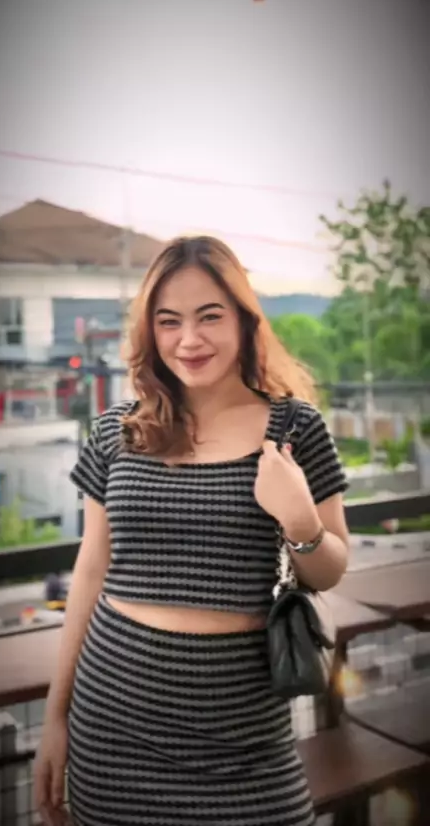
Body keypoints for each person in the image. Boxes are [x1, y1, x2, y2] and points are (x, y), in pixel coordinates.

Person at [34, 235, 349, 826]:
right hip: (113, 725)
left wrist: (300, 518)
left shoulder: (294, 427)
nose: (189, 340)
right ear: (150, 331)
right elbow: (92, 568)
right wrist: (56, 717)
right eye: (169, 321)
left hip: (244, 735)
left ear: (244, 320)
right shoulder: (117, 431)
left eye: (210, 316)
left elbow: (330, 568)